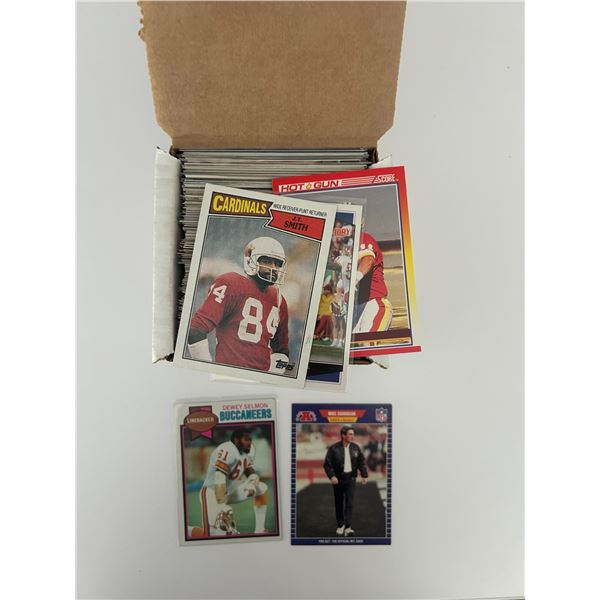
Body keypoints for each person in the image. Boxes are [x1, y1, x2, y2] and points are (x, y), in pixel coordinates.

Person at [186, 237, 290, 374]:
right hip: (229, 374)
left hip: (260, 379)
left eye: (277, 264)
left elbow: (282, 351)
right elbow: (195, 330)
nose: (273, 268)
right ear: (250, 261)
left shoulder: (279, 299)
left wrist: (272, 376)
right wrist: (207, 371)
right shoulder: (232, 283)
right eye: (266, 261)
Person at [188, 428, 270, 538]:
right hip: (213, 493)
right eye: (246, 439)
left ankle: (260, 530)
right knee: (209, 535)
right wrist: (222, 506)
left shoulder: (249, 450)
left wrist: (252, 481)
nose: (250, 442)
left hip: (230, 490)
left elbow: (248, 469)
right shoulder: (227, 449)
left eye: (250, 439)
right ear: (236, 440)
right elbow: (219, 479)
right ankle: (187, 530)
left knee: (262, 488)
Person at [323, 426, 368, 537]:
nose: (352, 436)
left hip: (351, 479)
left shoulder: (356, 447)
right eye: (350, 434)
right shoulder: (333, 449)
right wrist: (332, 476)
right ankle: (340, 526)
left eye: (353, 434)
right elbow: (327, 465)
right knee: (339, 503)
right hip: (338, 480)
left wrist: (364, 475)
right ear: (343, 435)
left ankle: (348, 527)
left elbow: (361, 462)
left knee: (349, 503)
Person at [352, 231, 393, 334]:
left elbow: (368, 259)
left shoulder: (361, 237)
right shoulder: (338, 247)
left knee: (367, 341)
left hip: (372, 303)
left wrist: (354, 280)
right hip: (353, 308)